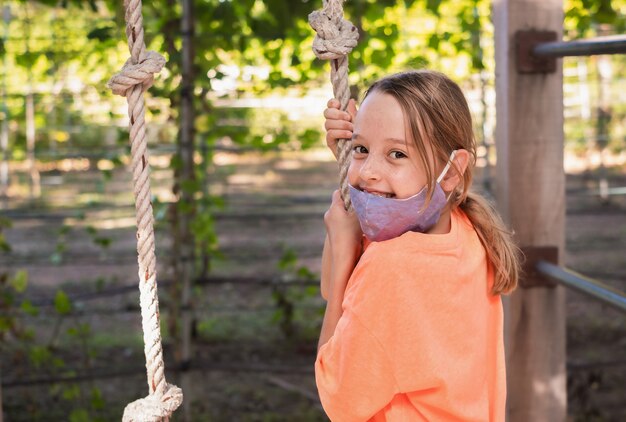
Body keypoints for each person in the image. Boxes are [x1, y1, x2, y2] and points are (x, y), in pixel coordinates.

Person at [315, 70, 521, 421]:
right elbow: (353, 295)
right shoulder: (467, 231)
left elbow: (339, 399)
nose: (368, 173)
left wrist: (343, 243)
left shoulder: (392, 265)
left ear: (452, 170)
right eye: (362, 149)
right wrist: (352, 153)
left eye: (397, 154)